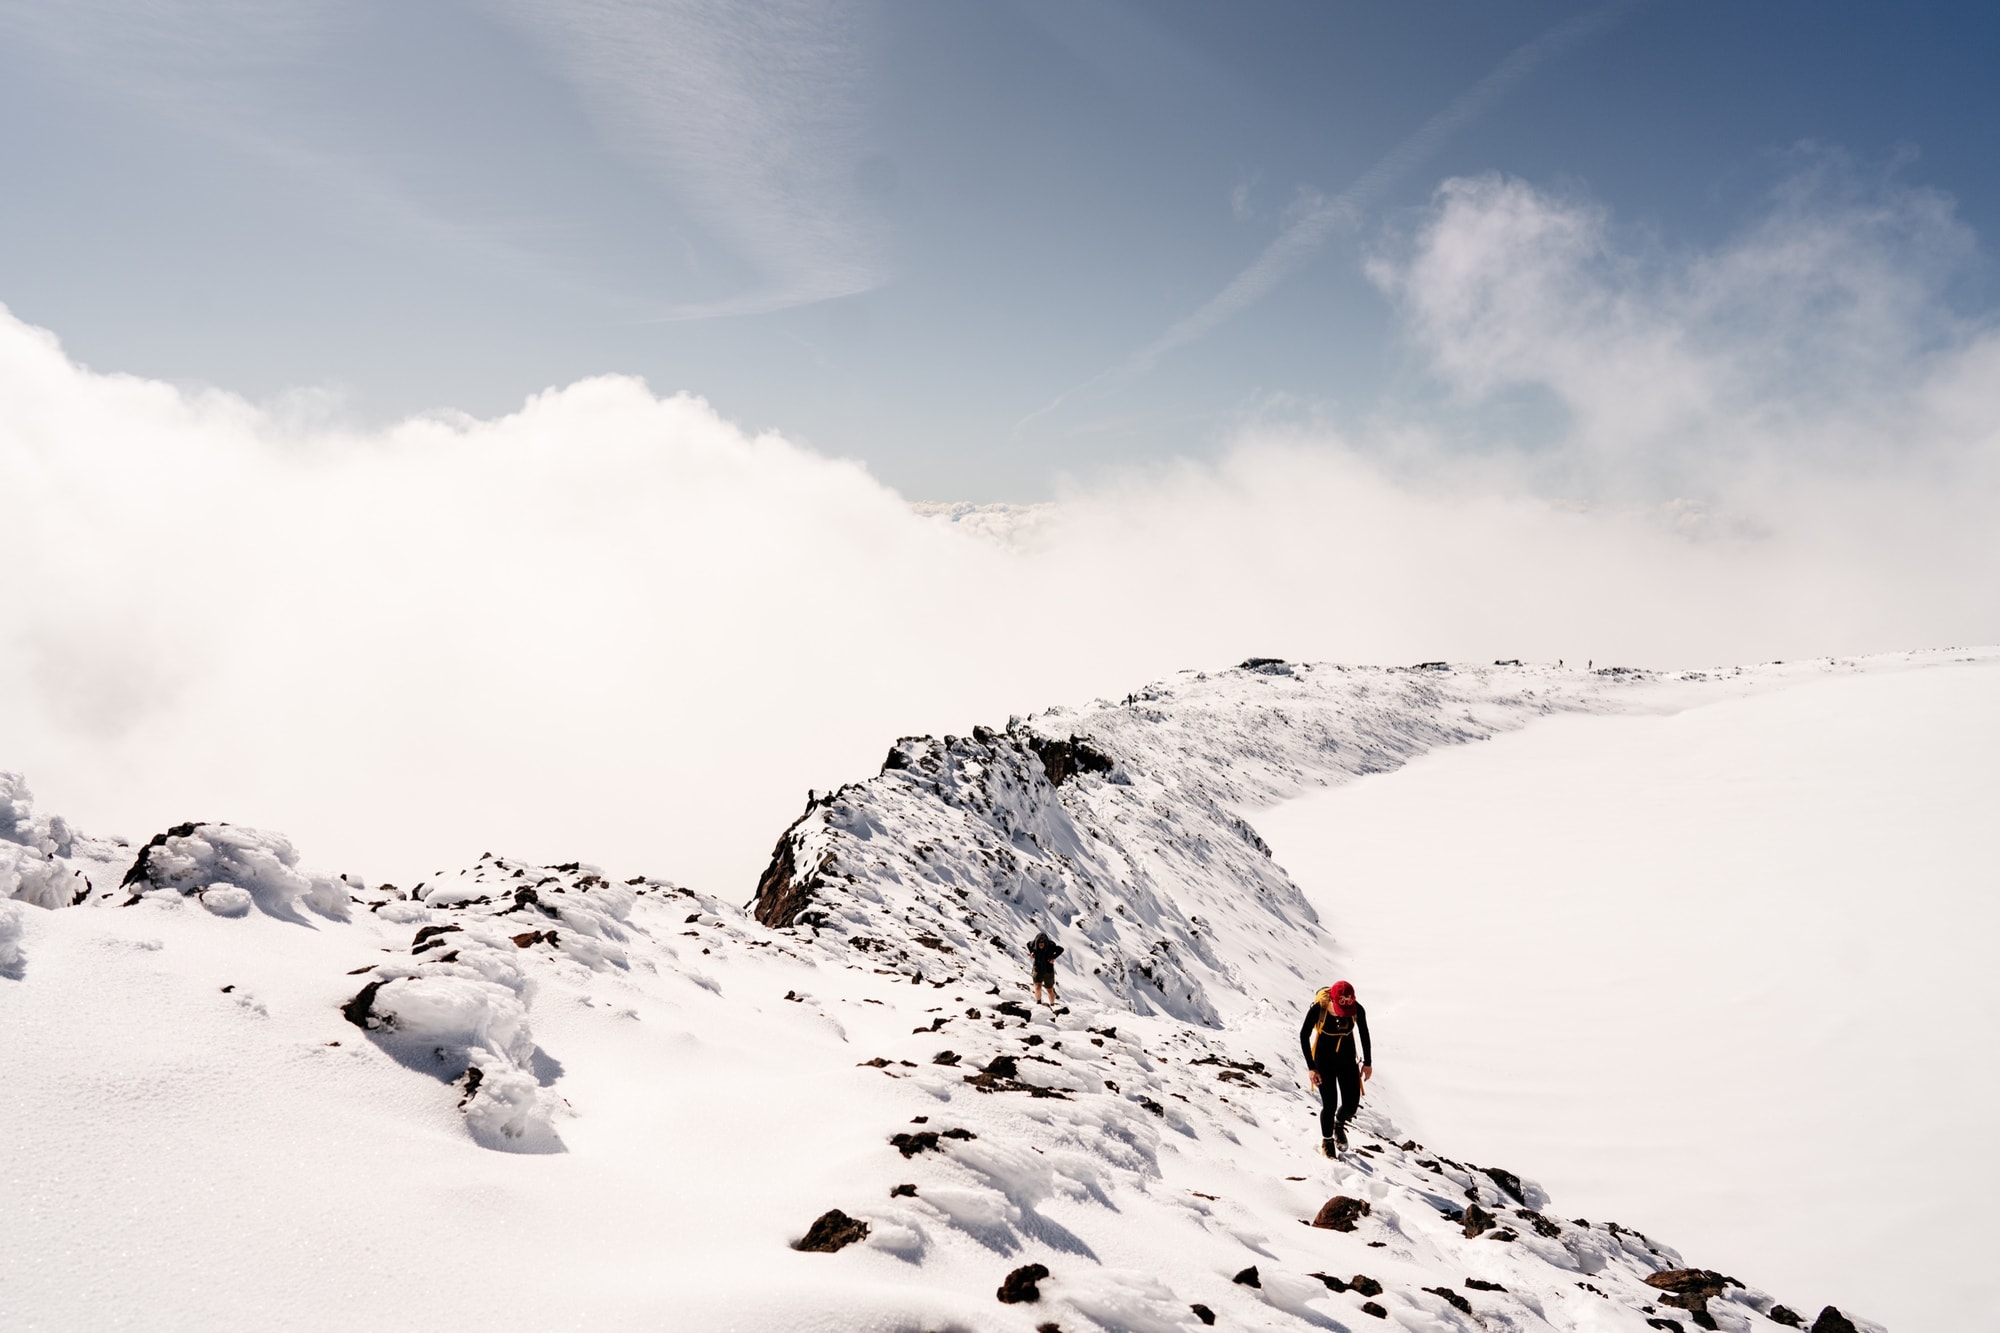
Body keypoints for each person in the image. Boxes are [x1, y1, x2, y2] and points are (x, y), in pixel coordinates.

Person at [1299, 979, 1372, 1156]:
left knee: (1351, 1105)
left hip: (1347, 1059)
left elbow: (1364, 1033)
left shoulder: (1356, 1009)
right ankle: (1327, 1141)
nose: (1343, 1014)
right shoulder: (1319, 1009)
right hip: (1323, 1061)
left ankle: (1338, 1125)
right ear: (1331, 1000)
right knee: (1330, 1104)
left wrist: (1367, 1063)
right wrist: (1311, 1067)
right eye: (1340, 1010)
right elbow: (1304, 1035)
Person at [1028, 930, 1064, 1005]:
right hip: (1037, 969)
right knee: (1037, 987)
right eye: (1039, 942)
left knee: (1049, 990)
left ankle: (1052, 1005)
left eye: (1043, 942)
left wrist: (1053, 957)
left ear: (1045, 942)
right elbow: (1028, 944)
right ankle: (1038, 1002)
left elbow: (1061, 949)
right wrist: (1032, 952)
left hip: (1048, 970)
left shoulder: (1051, 946)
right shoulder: (1033, 945)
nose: (1041, 944)